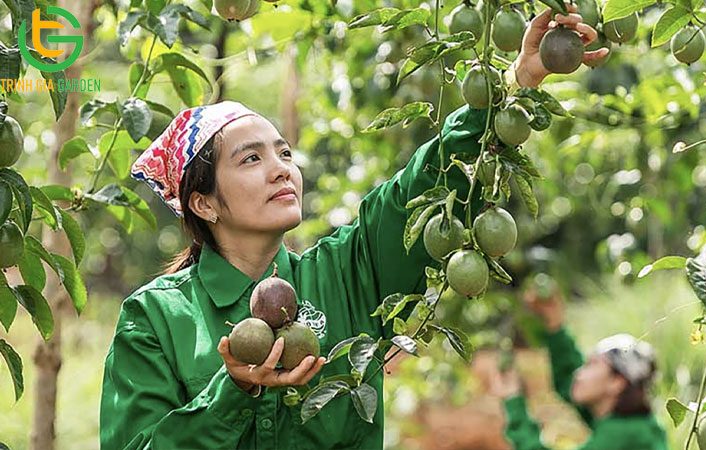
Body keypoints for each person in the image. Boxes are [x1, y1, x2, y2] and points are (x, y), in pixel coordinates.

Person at [99, 5, 607, 450]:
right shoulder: (156, 317)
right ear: (204, 204)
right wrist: (233, 392)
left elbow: (420, 184)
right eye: (251, 159)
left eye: (284, 153)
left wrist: (518, 80)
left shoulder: (345, 275)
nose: (282, 169)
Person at [490, 290, 668, 450]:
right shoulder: (630, 425)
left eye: (593, 364)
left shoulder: (622, 434)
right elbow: (570, 381)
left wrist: (514, 403)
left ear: (617, 382)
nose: (579, 373)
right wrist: (555, 327)